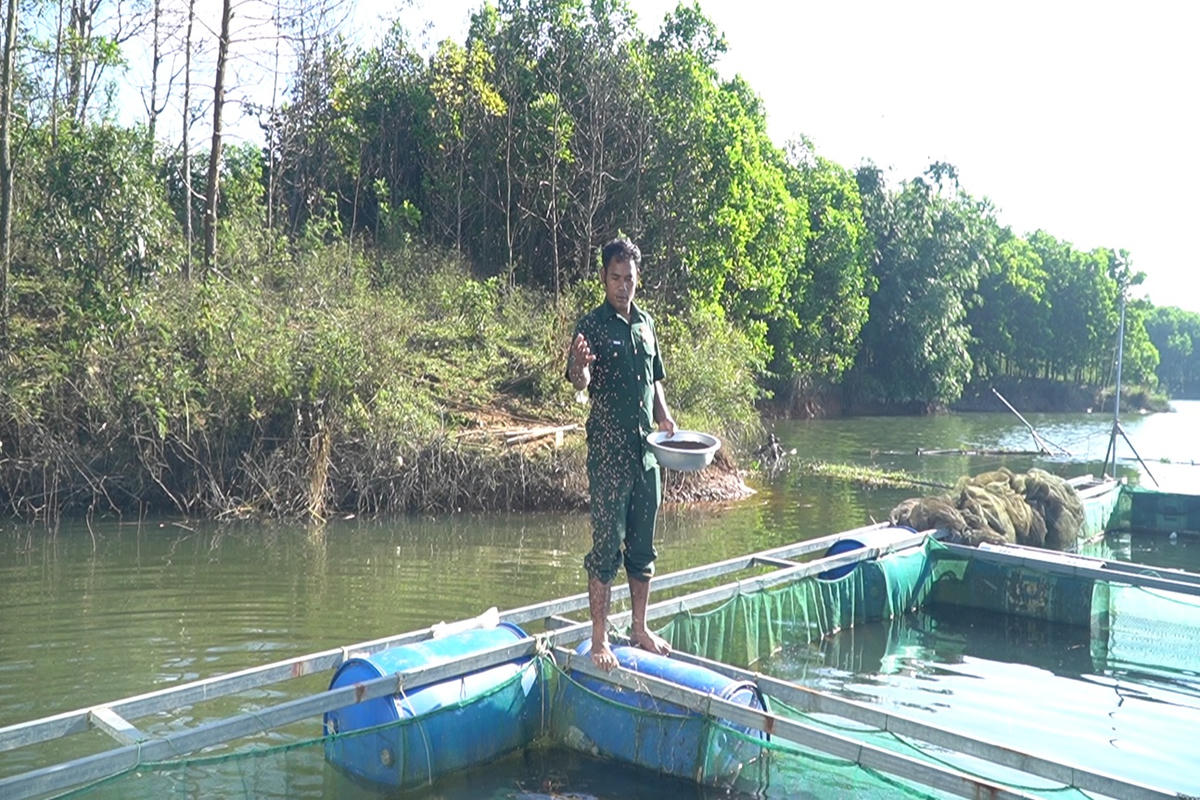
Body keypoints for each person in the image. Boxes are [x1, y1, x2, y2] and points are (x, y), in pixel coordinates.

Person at [566, 237, 676, 671]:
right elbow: (579, 381)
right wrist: (579, 366)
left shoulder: (646, 323)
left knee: (643, 546)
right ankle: (598, 638)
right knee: (606, 546)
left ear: (637, 279)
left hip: (646, 452)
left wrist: (666, 419)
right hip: (609, 455)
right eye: (615, 278)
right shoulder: (591, 326)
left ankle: (639, 627)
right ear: (603, 278)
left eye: (629, 278)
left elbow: (655, 380)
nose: (622, 286)